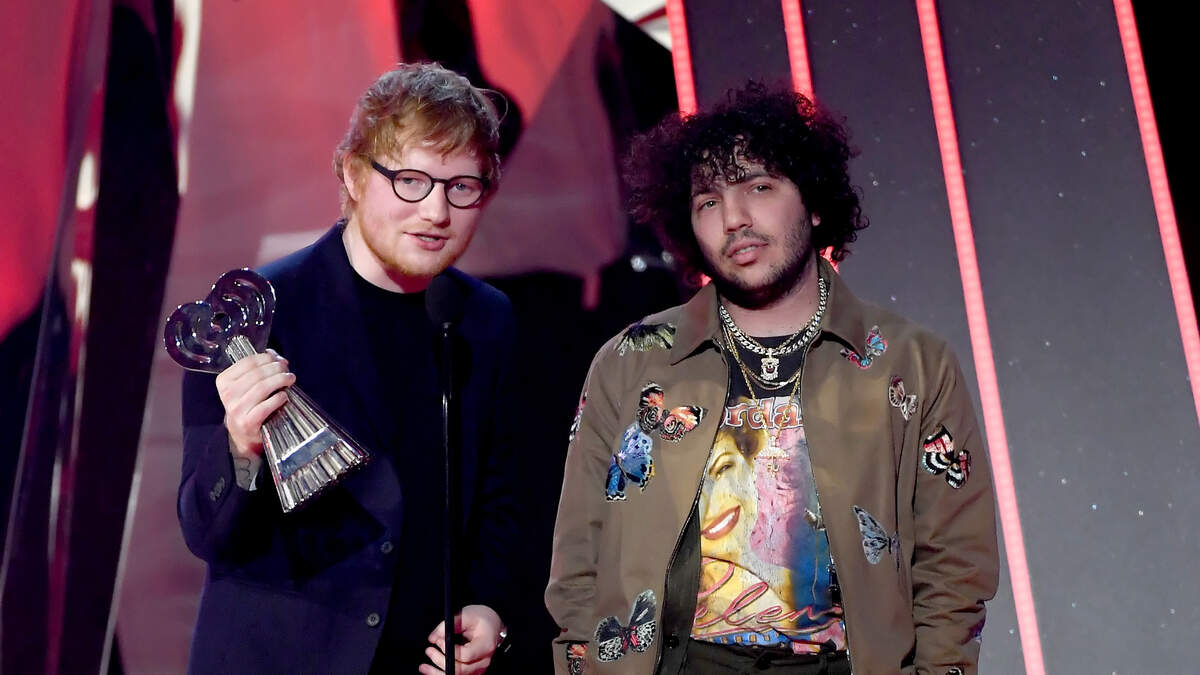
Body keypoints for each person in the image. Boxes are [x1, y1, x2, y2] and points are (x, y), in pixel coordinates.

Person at [545, 83, 999, 674]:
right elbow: (580, 559)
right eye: (707, 201)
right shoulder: (632, 362)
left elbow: (954, 566)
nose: (734, 218)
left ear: (813, 202)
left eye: (759, 187)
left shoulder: (910, 363)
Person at [178, 62, 516, 675]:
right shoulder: (255, 316)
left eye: (462, 186)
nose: (436, 211)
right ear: (355, 174)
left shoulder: (486, 321)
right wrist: (241, 449)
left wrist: (489, 608)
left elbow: (500, 495)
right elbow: (208, 534)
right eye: (411, 181)